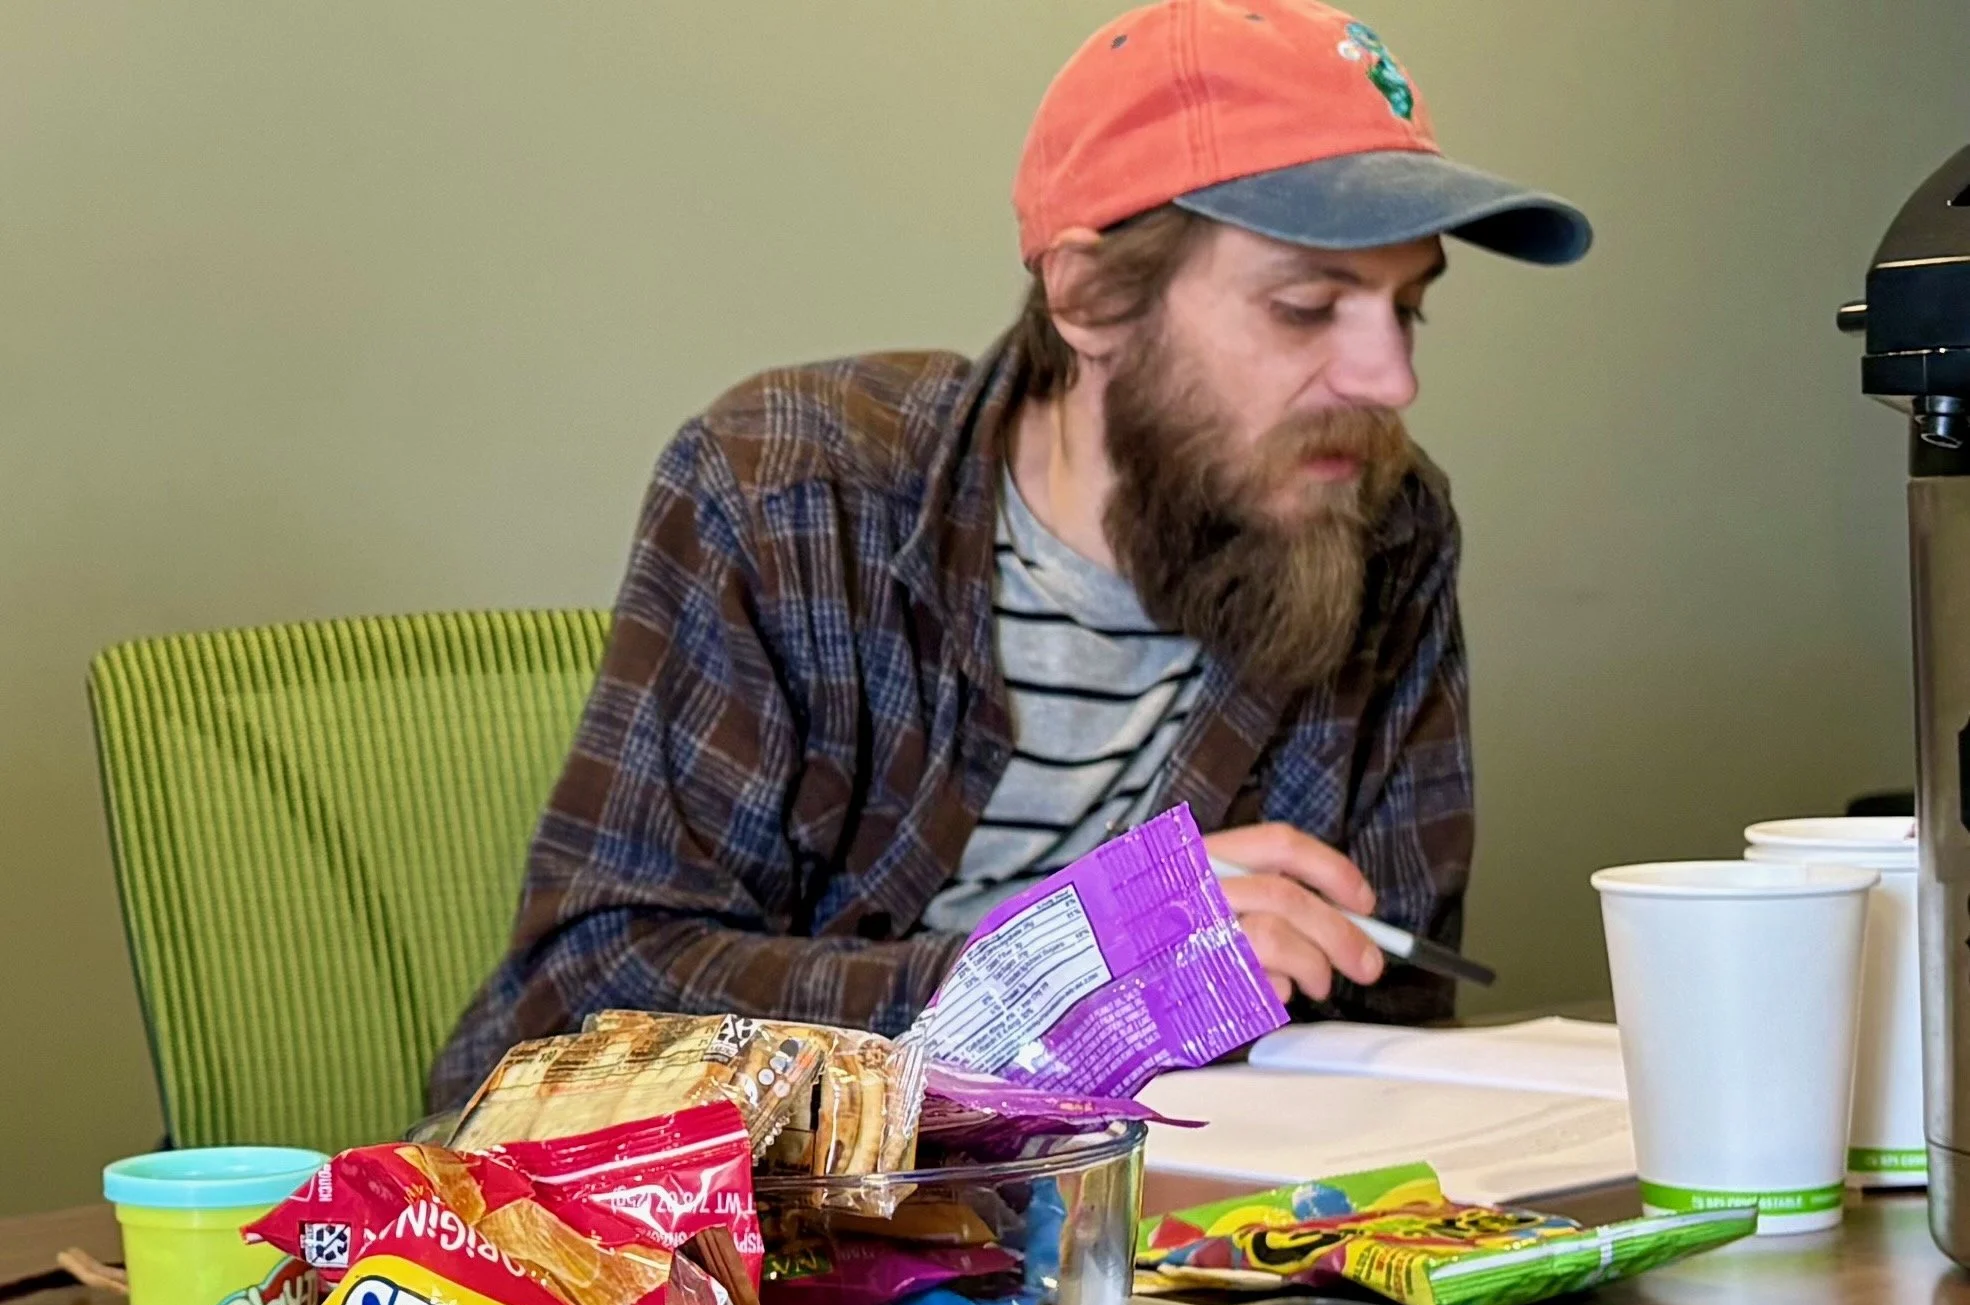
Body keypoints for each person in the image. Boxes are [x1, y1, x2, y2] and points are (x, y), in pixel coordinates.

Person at [428, 0, 1591, 1108]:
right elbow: (585, 1002)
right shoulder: (788, 492)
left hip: (1157, 1239)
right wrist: (1051, 965)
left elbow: (1378, 1015)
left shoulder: (1381, 521)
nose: (1388, 382)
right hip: (724, 1245)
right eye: (1303, 308)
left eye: (1407, 308)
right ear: (1089, 297)